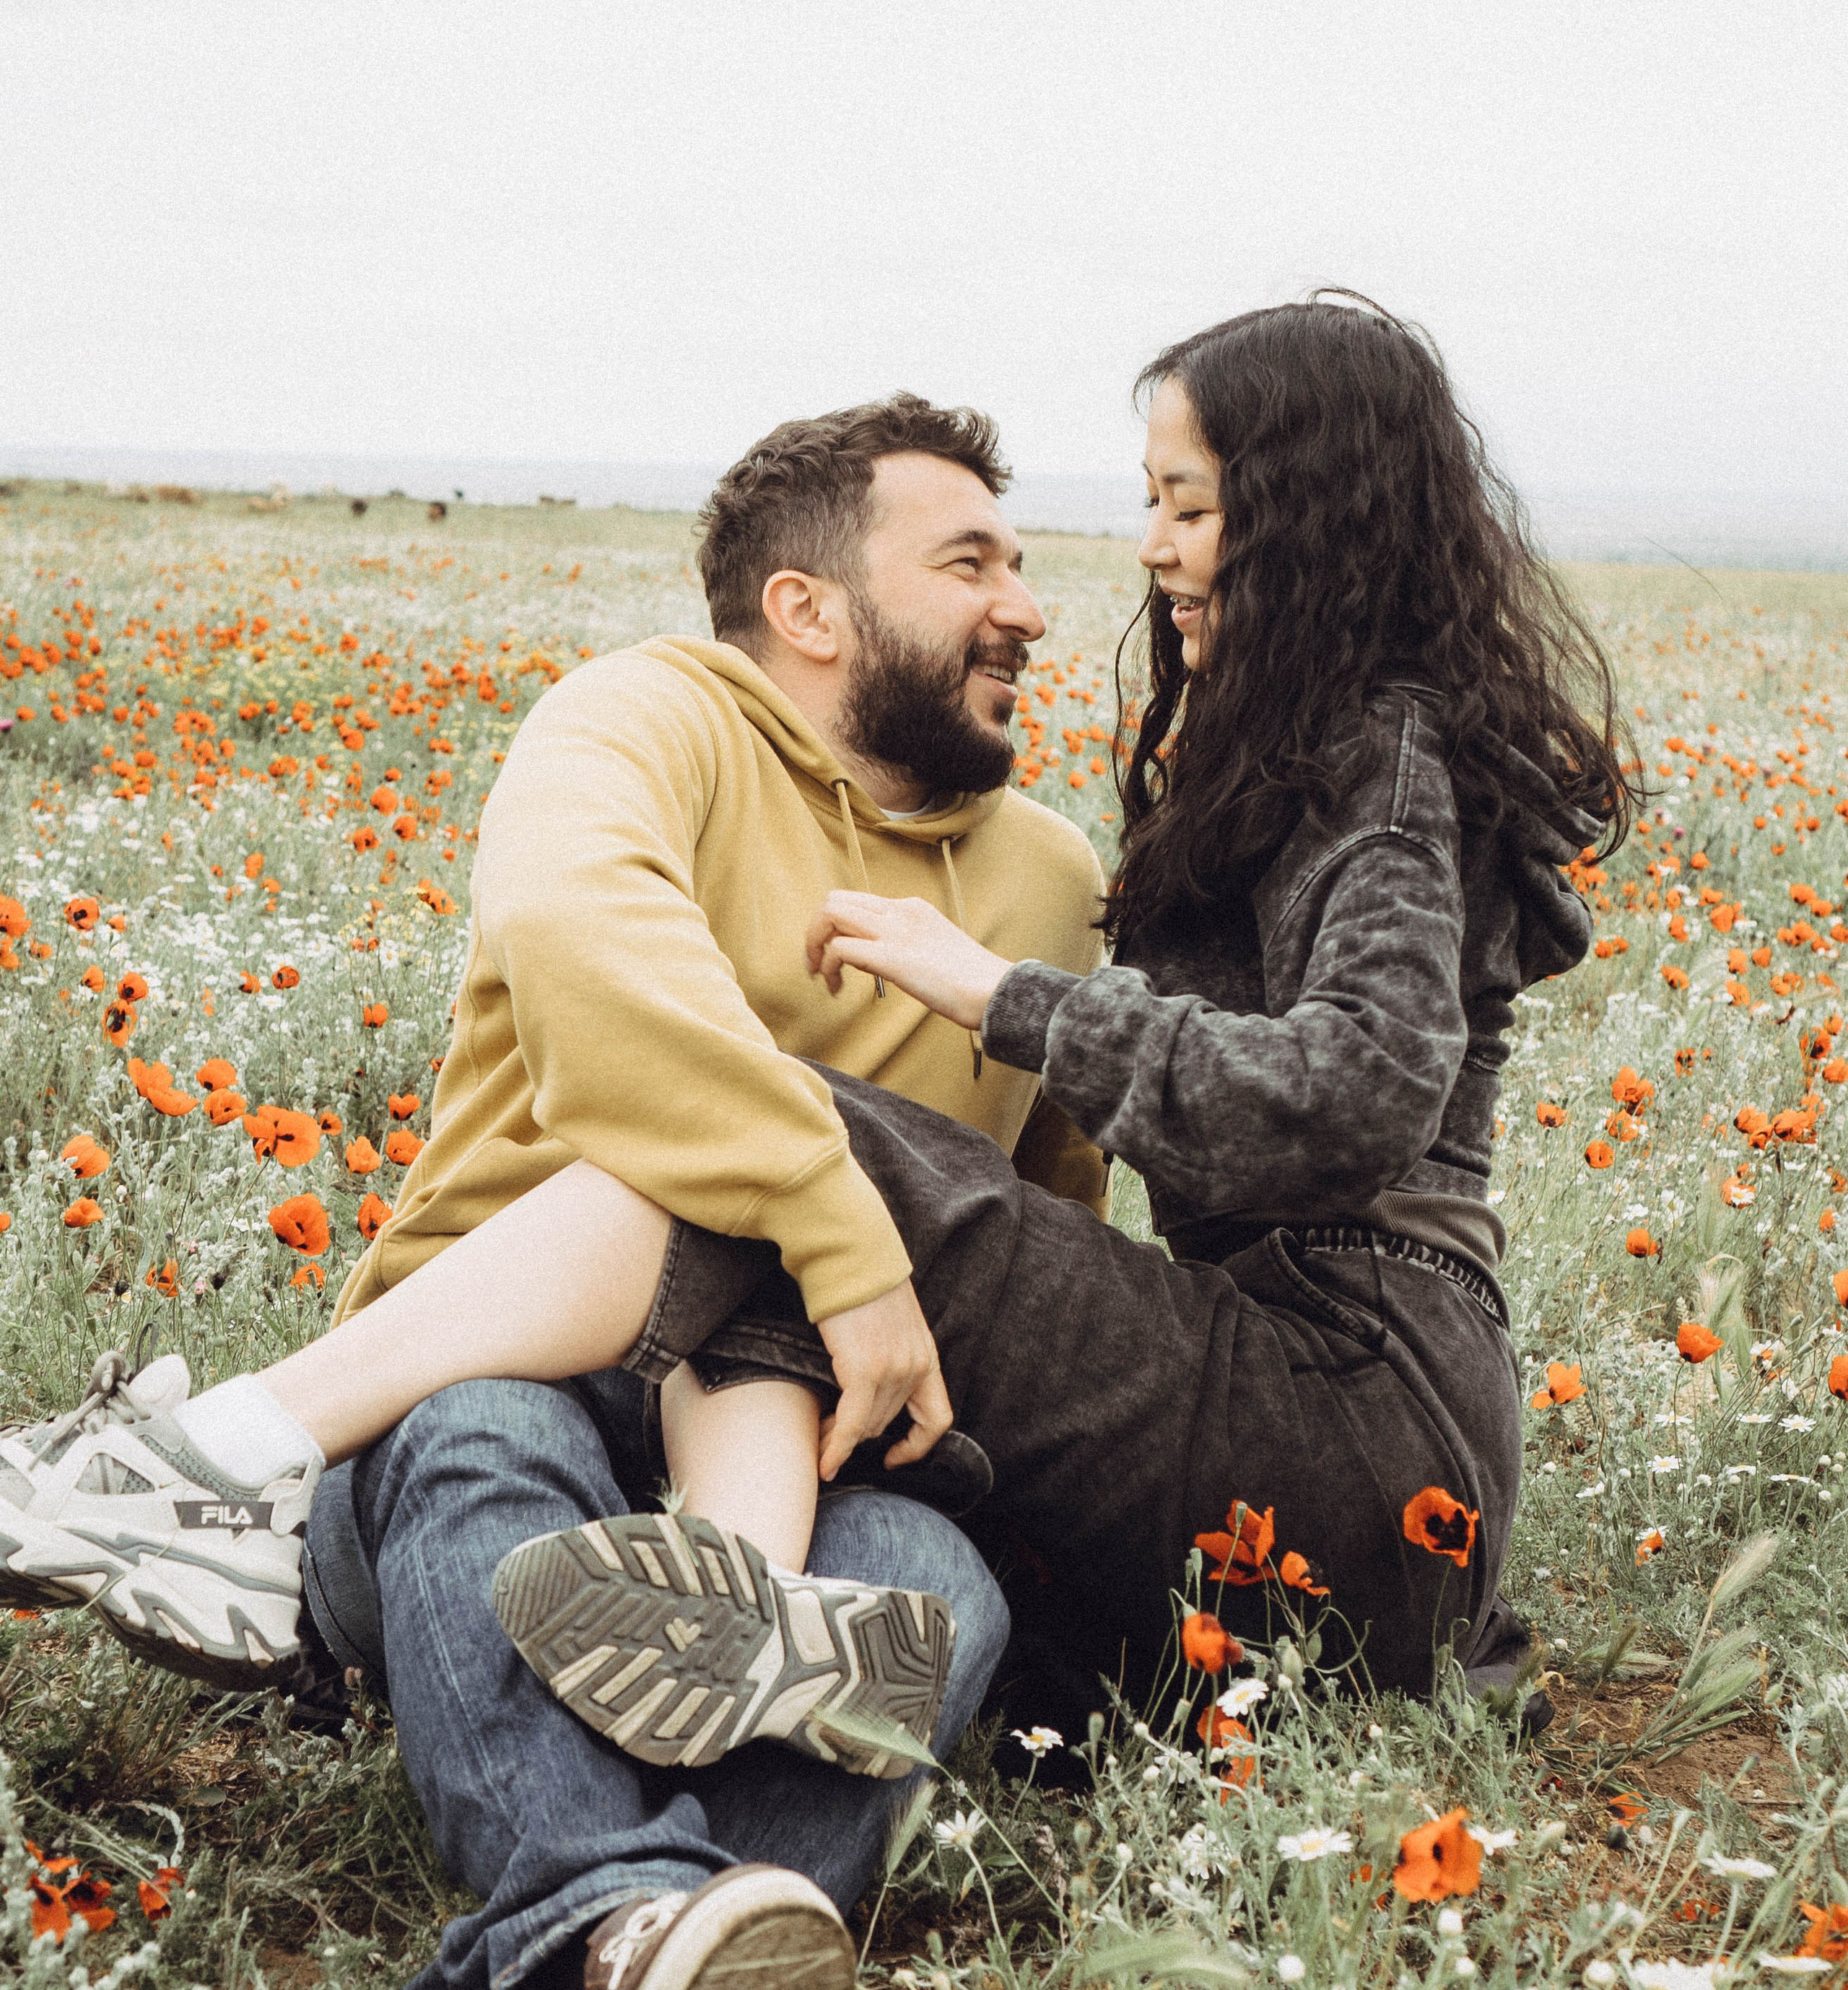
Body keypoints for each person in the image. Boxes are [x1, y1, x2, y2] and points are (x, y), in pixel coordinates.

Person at [483, 294, 1637, 1767]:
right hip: (1314, 1404)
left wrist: (995, 995)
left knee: (797, 1123)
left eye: (1188, 505)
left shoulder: (1386, 757)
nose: (1151, 550)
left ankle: (263, 1456)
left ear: (1305, 513)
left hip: (1359, 1412)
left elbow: (1354, 1092)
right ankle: (755, 1610)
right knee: (793, 1190)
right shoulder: (1315, 748)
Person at [0, 396, 1104, 1774]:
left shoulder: (1053, 883)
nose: (1029, 608)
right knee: (485, 1447)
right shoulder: (643, 722)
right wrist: (841, 1235)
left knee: (924, 1594)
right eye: (971, 564)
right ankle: (600, 1909)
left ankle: (667, 1925)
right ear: (808, 610)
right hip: (502, 1356)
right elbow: (588, 950)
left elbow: (1051, 1221)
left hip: (817, 1444)